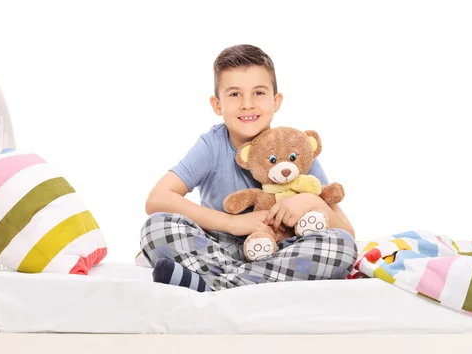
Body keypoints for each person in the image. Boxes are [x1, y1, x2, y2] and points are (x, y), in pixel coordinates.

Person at [140, 44, 357, 292]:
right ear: (217, 104)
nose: (247, 104)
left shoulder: (295, 148)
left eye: (259, 93)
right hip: (220, 248)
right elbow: (157, 199)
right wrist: (233, 224)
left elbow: (347, 231)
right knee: (155, 227)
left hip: (282, 251)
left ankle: (217, 286)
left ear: (276, 101)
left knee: (342, 246)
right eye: (234, 94)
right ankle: (249, 284)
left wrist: (310, 201)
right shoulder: (212, 145)